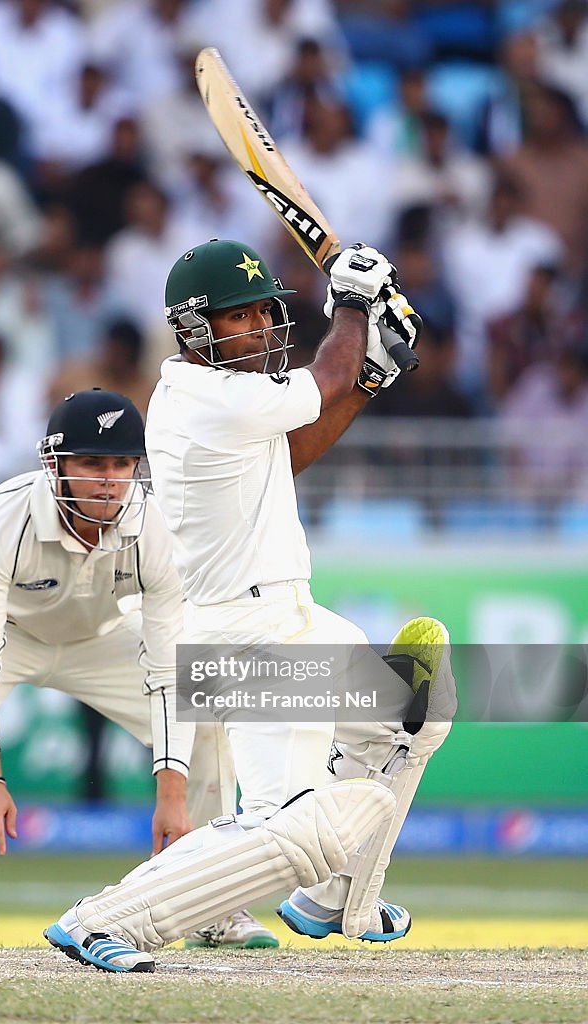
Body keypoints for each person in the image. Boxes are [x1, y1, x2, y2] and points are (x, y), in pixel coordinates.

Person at [44, 240, 457, 972]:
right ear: (194, 329)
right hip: (245, 636)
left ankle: (334, 900)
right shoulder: (206, 396)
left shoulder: (234, 401)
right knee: (285, 827)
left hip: (289, 619)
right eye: (241, 317)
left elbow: (293, 448)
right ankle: (104, 918)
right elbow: (322, 376)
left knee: (415, 714)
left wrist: (364, 378)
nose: (264, 328)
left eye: (267, 311)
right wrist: (356, 306)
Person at [0, 388, 276, 950]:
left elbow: (169, 674)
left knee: (202, 712)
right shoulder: (4, 516)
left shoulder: (154, 530)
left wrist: (171, 796)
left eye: (120, 464)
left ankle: (213, 909)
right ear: (55, 465)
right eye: (92, 463)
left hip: (99, 636)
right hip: (5, 632)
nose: (109, 481)